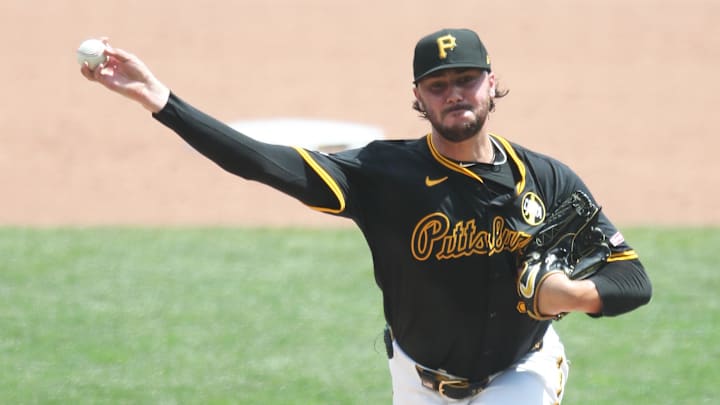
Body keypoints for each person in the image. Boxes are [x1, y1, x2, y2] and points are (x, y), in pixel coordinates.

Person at [80, 28, 652, 404]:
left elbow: (632, 279)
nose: (455, 93)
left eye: (467, 80)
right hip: (416, 380)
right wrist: (162, 101)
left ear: (493, 83)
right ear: (418, 98)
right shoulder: (383, 175)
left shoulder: (547, 179)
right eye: (439, 85)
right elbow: (261, 163)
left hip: (519, 375)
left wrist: (567, 294)